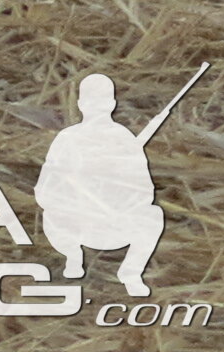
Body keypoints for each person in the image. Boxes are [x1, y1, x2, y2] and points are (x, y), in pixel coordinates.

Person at [36, 73, 172, 297]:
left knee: (153, 215)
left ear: (111, 104)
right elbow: (45, 189)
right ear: (80, 104)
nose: (96, 107)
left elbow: (145, 190)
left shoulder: (124, 139)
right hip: (76, 224)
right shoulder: (67, 139)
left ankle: (131, 273)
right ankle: (73, 256)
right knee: (51, 215)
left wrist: (121, 202)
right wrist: (73, 200)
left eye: (101, 101)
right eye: (91, 101)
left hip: (116, 225)